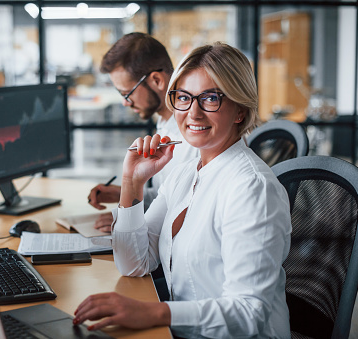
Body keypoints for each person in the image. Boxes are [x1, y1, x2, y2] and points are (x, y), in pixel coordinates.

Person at [73, 42, 292, 338]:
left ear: (240, 110)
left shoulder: (252, 189)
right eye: (184, 98)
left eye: (211, 98)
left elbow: (248, 313)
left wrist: (154, 312)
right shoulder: (187, 172)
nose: (193, 113)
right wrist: (132, 183)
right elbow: (134, 263)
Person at [87, 32, 199, 232]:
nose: (125, 102)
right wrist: (125, 194)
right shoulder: (166, 122)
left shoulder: (192, 136)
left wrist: (126, 220)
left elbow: (183, 215)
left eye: (126, 93)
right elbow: (166, 195)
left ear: (156, 80)